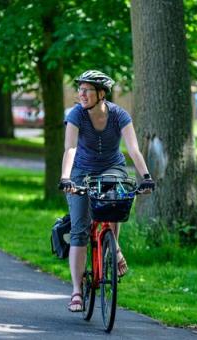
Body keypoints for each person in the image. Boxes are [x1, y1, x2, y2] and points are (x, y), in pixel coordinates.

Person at [58, 70, 155, 312]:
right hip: (81, 170)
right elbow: (70, 148)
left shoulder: (119, 115)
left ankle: (115, 247)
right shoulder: (76, 115)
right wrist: (66, 177)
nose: (81, 94)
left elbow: (133, 149)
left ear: (101, 94)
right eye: (79, 89)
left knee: (117, 203)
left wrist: (146, 176)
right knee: (80, 229)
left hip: (112, 168)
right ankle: (77, 291)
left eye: (86, 89)